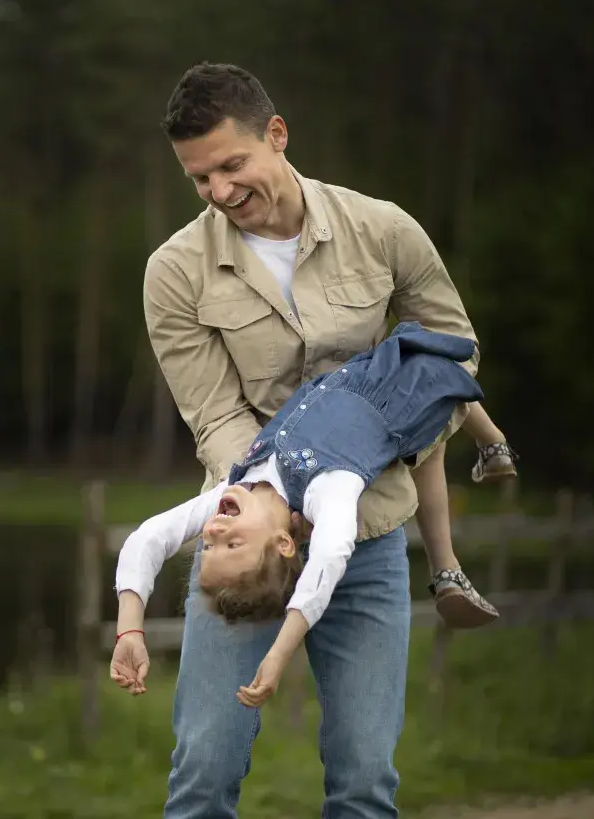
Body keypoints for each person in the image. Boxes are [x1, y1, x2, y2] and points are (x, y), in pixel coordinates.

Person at [136, 61, 503, 818]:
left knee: (366, 781)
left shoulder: (385, 229)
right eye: (199, 179)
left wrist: (387, 435)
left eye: (231, 165)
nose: (219, 192)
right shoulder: (174, 272)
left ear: (277, 135)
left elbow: (455, 349)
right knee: (203, 773)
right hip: (239, 543)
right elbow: (214, 418)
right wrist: (276, 501)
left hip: (367, 539)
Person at [110, 321, 497, 713]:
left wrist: (129, 628)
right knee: (447, 380)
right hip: (396, 397)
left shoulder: (235, 490)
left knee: (431, 362)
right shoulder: (327, 490)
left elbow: (148, 539)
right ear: (282, 543)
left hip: (352, 372)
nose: (214, 529)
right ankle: (493, 440)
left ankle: (492, 444)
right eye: (233, 544)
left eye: (209, 545)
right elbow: (328, 559)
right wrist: (279, 653)